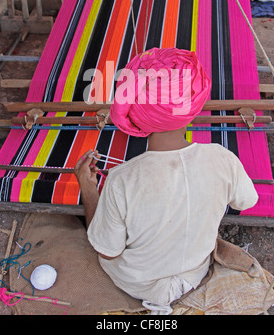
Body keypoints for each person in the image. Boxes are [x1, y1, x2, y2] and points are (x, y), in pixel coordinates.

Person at [74, 48, 258, 315]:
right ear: (192, 108)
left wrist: (88, 189)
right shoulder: (223, 159)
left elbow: (108, 252)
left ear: (137, 114)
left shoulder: (121, 179)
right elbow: (248, 200)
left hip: (135, 282)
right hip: (193, 274)